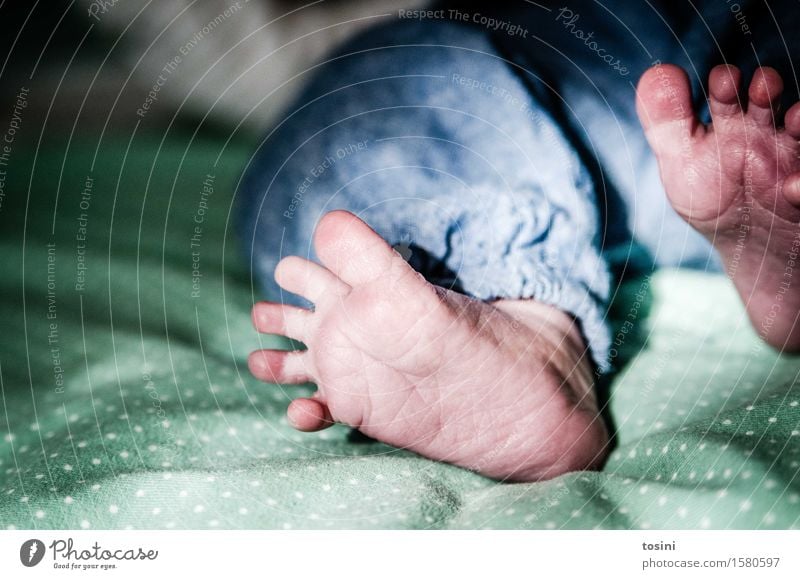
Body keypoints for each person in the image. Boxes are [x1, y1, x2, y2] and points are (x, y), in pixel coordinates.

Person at [239, 1, 800, 481]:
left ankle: (536, 334)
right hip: (700, 118)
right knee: (760, 118)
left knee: (377, 99)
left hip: (626, 103)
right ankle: (533, 326)